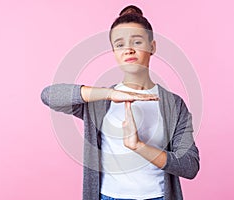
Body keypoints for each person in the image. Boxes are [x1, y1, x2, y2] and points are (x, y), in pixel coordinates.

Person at [41, 5, 199, 200]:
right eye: (120, 44)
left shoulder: (174, 104)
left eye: (137, 41)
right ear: (114, 51)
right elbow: (48, 95)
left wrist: (138, 146)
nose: (129, 49)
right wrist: (109, 94)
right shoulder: (99, 102)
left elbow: (190, 166)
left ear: (152, 47)